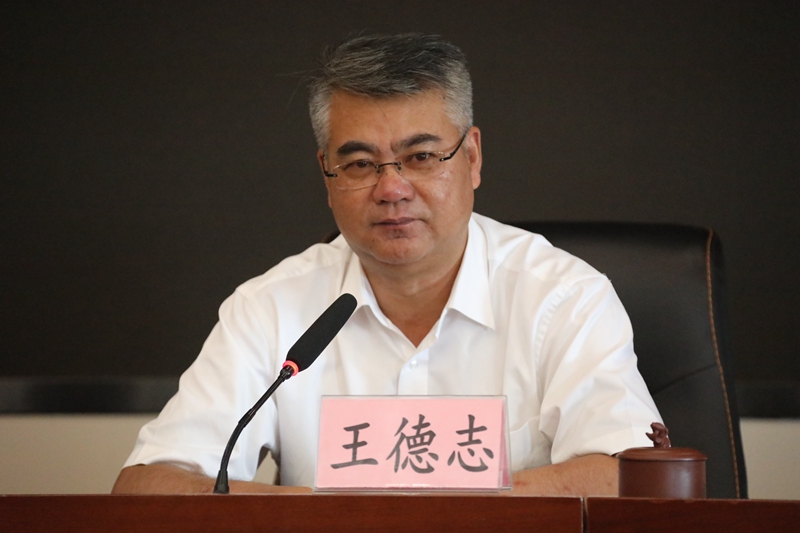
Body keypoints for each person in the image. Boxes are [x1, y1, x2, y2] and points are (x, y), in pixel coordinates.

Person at [113, 33, 661, 496]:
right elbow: (148, 485)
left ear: (472, 158)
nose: (392, 189)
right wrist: (348, 518)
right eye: (359, 163)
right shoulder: (271, 308)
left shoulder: (563, 298)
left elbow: (629, 477)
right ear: (327, 175)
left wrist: (406, 515)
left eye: (421, 157)